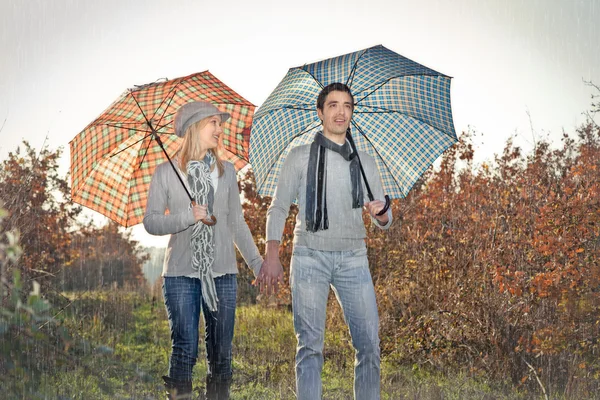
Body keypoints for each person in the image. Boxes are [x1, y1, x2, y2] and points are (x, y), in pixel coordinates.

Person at [256, 82, 393, 400]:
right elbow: (278, 207)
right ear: (320, 113)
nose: (341, 111)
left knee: (369, 345)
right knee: (310, 347)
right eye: (333, 105)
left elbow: (383, 219)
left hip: (353, 259)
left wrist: (382, 212)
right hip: (308, 258)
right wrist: (272, 253)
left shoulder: (364, 161)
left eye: (347, 105)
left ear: (352, 112)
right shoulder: (299, 156)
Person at [144, 101, 263, 400]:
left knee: (221, 353)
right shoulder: (165, 173)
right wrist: (187, 216)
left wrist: (258, 263)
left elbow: (236, 222)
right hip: (181, 275)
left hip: (222, 274)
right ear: (195, 127)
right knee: (184, 349)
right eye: (214, 123)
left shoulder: (227, 173)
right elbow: (151, 222)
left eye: (220, 123)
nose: (220, 129)